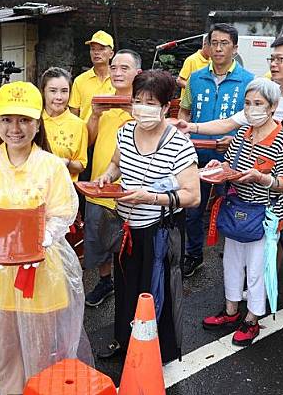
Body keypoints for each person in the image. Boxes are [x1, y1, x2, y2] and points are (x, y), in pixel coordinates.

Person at [174, 34, 283, 327]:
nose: (274, 64)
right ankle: (258, 300)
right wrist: (193, 127)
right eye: (272, 59)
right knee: (266, 251)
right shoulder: (263, 97)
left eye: (280, 59)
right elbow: (230, 124)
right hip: (262, 194)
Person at [0, 81, 92, 394]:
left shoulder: (51, 167)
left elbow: (62, 212)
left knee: (40, 352)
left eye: (23, 120)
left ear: (37, 123)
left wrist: (41, 239)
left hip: (40, 274)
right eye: (6, 119)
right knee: (3, 351)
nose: (14, 128)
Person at [95, 69, 200, 361]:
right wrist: (106, 175)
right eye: (138, 100)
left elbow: (193, 195)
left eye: (151, 103)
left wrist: (150, 197)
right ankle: (124, 341)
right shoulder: (125, 132)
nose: (142, 108)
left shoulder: (179, 144)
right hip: (126, 227)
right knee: (126, 285)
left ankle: (156, 350)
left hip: (159, 230)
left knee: (155, 289)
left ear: (167, 107)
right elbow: (117, 164)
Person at [201, 78, 283, 346]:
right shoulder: (244, 133)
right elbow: (230, 165)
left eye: (258, 104)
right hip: (237, 211)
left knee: (257, 269)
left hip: (265, 216)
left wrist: (262, 179)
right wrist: (217, 167)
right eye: (247, 103)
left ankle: (252, 319)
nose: (252, 108)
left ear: (273, 106)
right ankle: (231, 311)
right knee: (231, 262)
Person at [178, 23, 255, 278]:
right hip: (196, 154)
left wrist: (235, 141)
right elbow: (185, 112)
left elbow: (253, 122)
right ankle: (194, 254)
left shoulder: (248, 81)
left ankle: (232, 251)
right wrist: (184, 134)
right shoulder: (196, 77)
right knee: (193, 208)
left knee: (231, 205)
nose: (219, 48)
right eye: (214, 43)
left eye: (224, 43)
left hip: (232, 156)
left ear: (235, 48)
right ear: (207, 46)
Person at [84, 49, 141, 307]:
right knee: (98, 239)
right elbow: (87, 140)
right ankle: (105, 281)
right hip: (100, 185)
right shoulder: (103, 102)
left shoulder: (144, 106)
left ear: (137, 73)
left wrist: (136, 111)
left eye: (124, 68)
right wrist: (95, 114)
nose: (117, 72)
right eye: (115, 67)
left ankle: (130, 286)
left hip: (132, 190)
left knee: (129, 244)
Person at [40, 67, 88, 181]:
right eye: (53, 91)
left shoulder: (78, 125)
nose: (59, 97)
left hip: (65, 189)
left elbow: (81, 165)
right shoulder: (34, 120)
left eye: (64, 91)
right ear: (43, 91)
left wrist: (66, 163)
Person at [69, 30, 115, 121]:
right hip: (86, 133)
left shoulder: (119, 79)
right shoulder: (80, 81)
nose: (96, 52)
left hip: (112, 133)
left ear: (111, 54)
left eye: (101, 49)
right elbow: (73, 116)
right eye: (93, 49)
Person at [176, 34, 210, 102]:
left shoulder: (213, 61)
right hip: (189, 103)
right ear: (205, 44)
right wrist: (194, 88)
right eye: (212, 47)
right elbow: (179, 81)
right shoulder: (191, 60)